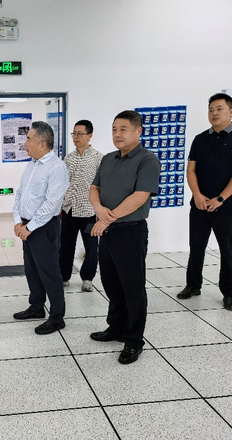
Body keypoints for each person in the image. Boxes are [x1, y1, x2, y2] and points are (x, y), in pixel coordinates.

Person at [88, 110, 160, 364]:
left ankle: (134, 340)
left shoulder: (147, 160)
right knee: (111, 283)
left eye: (123, 129)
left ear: (138, 131)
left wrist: (107, 218)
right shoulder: (108, 159)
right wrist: (98, 209)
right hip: (107, 232)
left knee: (132, 288)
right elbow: (94, 187)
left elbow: (140, 196)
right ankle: (116, 328)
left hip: (130, 232)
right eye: (114, 129)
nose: (117, 134)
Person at [177, 93, 232, 310]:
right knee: (196, 248)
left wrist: (220, 198)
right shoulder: (200, 139)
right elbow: (190, 169)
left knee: (228, 250)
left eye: (219, 109)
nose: (214, 113)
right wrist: (197, 195)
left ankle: (229, 293)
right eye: (211, 109)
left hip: (226, 206)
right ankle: (193, 285)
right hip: (200, 204)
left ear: (231, 111)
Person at [13, 121, 70, 335]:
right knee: (32, 270)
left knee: (49, 273)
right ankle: (36, 307)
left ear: (42, 143)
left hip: (44, 227)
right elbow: (20, 194)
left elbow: (51, 204)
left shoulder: (57, 167)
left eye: (29, 139)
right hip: (27, 225)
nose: (25, 143)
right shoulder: (31, 164)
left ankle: (57, 317)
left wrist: (30, 227)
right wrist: (18, 221)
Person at [60, 120, 103, 291]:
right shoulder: (68, 158)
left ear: (89, 135)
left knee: (91, 247)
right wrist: (60, 206)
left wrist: (100, 210)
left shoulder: (99, 158)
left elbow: (102, 186)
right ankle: (64, 276)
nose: (76, 137)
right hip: (69, 209)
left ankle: (87, 278)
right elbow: (63, 184)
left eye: (80, 134)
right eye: (74, 134)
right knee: (66, 246)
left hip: (89, 211)